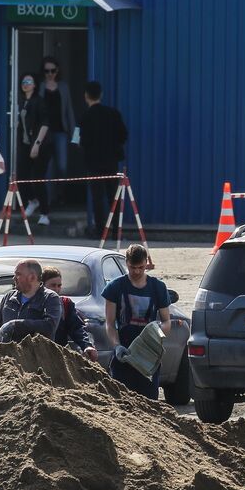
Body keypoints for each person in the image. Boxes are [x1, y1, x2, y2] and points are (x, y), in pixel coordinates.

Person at [101, 244, 180, 398]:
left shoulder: (157, 287)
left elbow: (167, 322)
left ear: (146, 264)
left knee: (149, 405)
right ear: (126, 263)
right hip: (123, 357)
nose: (136, 271)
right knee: (122, 404)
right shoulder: (115, 287)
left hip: (148, 357)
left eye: (141, 267)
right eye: (132, 267)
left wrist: (157, 331)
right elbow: (110, 324)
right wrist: (116, 346)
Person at [24, 56, 77, 227]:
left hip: (60, 131)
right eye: (46, 71)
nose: (50, 74)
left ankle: (60, 194)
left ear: (57, 71)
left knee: (62, 166)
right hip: (43, 133)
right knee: (46, 170)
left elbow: (69, 110)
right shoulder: (39, 87)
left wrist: (75, 134)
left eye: (53, 71)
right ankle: (48, 200)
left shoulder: (63, 87)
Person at [77, 81, 129, 237]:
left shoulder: (84, 117)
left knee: (97, 198)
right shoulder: (113, 114)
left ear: (86, 96)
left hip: (93, 162)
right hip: (111, 161)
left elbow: (77, 140)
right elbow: (123, 135)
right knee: (114, 197)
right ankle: (116, 232)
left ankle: (101, 232)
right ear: (101, 95)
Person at [0, 259, 62, 344]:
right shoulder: (9, 297)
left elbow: (49, 327)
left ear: (32, 277)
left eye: (18, 274)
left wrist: (16, 325)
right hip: (6, 355)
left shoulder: (50, 298)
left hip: (34, 355)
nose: (14, 278)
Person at [42, 265, 97, 360]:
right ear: (42, 285)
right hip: (36, 353)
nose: (56, 289)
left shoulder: (65, 304)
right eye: (53, 285)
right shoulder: (33, 304)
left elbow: (77, 328)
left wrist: (87, 345)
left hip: (59, 356)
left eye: (59, 285)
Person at [16, 73, 51, 223]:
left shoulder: (39, 101)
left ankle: (45, 213)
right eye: (24, 81)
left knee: (38, 178)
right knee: (21, 176)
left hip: (39, 145)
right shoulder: (22, 101)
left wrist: (37, 144)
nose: (26, 84)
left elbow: (45, 123)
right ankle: (32, 201)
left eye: (29, 81)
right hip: (25, 144)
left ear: (35, 84)